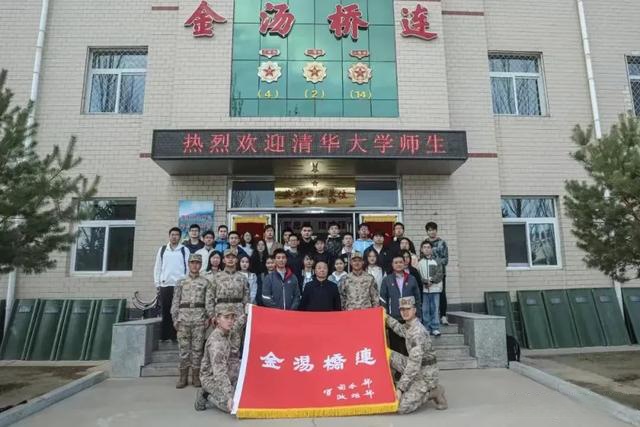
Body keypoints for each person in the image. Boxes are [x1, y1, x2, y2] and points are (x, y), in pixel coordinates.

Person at [385, 296, 447, 414]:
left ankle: (434, 391)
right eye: (402, 309)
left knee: (401, 407)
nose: (405, 312)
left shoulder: (418, 333)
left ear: (414, 310)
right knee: (388, 355)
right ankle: (404, 385)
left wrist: (400, 389)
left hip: (425, 375)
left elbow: (413, 365)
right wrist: (385, 317)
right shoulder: (410, 326)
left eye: (408, 309)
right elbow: (399, 329)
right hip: (417, 367)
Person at [171, 253, 211, 388]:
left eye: (197, 263)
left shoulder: (205, 282)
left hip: (199, 319)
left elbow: (208, 302)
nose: (195, 265)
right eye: (192, 262)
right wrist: (175, 318)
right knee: (183, 350)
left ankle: (195, 377)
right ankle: (183, 377)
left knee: (197, 350)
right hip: (183, 319)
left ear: (201, 265)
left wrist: (208, 318)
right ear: (188, 264)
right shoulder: (181, 282)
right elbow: (175, 301)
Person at [195, 305, 244, 413]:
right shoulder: (216, 343)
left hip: (229, 370)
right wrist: (228, 395)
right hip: (212, 377)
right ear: (217, 319)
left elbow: (239, 323)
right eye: (226, 317)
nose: (230, 321)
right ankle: (205, 394)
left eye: (232, 318)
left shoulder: (229, 330)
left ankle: (232, 389)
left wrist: (249, 312)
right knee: (232, 406)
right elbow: (219, 372)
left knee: (244, 396)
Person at [208, 249, 250, 362]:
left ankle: (234, 371)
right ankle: (220, 371)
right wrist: (212, 315)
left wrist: (245, 315)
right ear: (223, 260)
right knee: (220, 345)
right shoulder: (217, 277)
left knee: (235, 345)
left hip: (237, 314)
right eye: (228, 257)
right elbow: (210, 297)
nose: (230, 259)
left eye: (233, 257)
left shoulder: (242, 278)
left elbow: (246, 297)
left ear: (236, 260)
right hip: (221, 313)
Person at [380, 255, 422, 354]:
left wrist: (418, 315)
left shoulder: (412, 279)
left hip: (410, 319)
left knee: (410, 347)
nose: (398, 264)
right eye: (396, 263)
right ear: (392, 265)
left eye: (400, 262)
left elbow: (417, 299)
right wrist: (386, 317)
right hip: (394, 319)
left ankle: (410, 364)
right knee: (395, 347)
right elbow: (383, 299)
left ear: (404, 263)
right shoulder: (387, 280)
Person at [154, 227, 189, 342]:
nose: (174, 237)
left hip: (180, 285)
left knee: (178, 311)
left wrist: (186, 282)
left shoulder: (184, 250)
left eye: (177, 235)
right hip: (165, 285)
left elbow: (188, 268)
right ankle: (164, 336)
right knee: (166, 310)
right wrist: (157, 283)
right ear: (169, 236)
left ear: (180, 237)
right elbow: (158, 267)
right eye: (172, 234)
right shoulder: (163, 249)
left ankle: (175, 336)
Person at [417, 240, 444, 336]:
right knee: (425, 309)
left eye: (428, 247)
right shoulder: (419, 262)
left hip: (435, 289)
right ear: (421, 249)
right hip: (424, 290)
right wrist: (424, 282)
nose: (426, 249)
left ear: (431, 249)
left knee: (435, 309)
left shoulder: (437, 261)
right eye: (424, 247)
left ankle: (435, 328)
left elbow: (440, 273)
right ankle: (427, 328)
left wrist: (431, 281)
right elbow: (418, 275)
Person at [426, 222, 450, 326]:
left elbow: (445, 259)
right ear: (427, 232)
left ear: (436, 230)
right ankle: (431, 316)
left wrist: (435, 263)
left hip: (440, 272)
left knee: (441, 293)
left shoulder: (442, 243)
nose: (432, 232)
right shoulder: (425, 243)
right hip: (427, 273)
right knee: (429, 294)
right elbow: (422, 257)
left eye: (433, 230)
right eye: (430, 230)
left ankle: (443, 316)